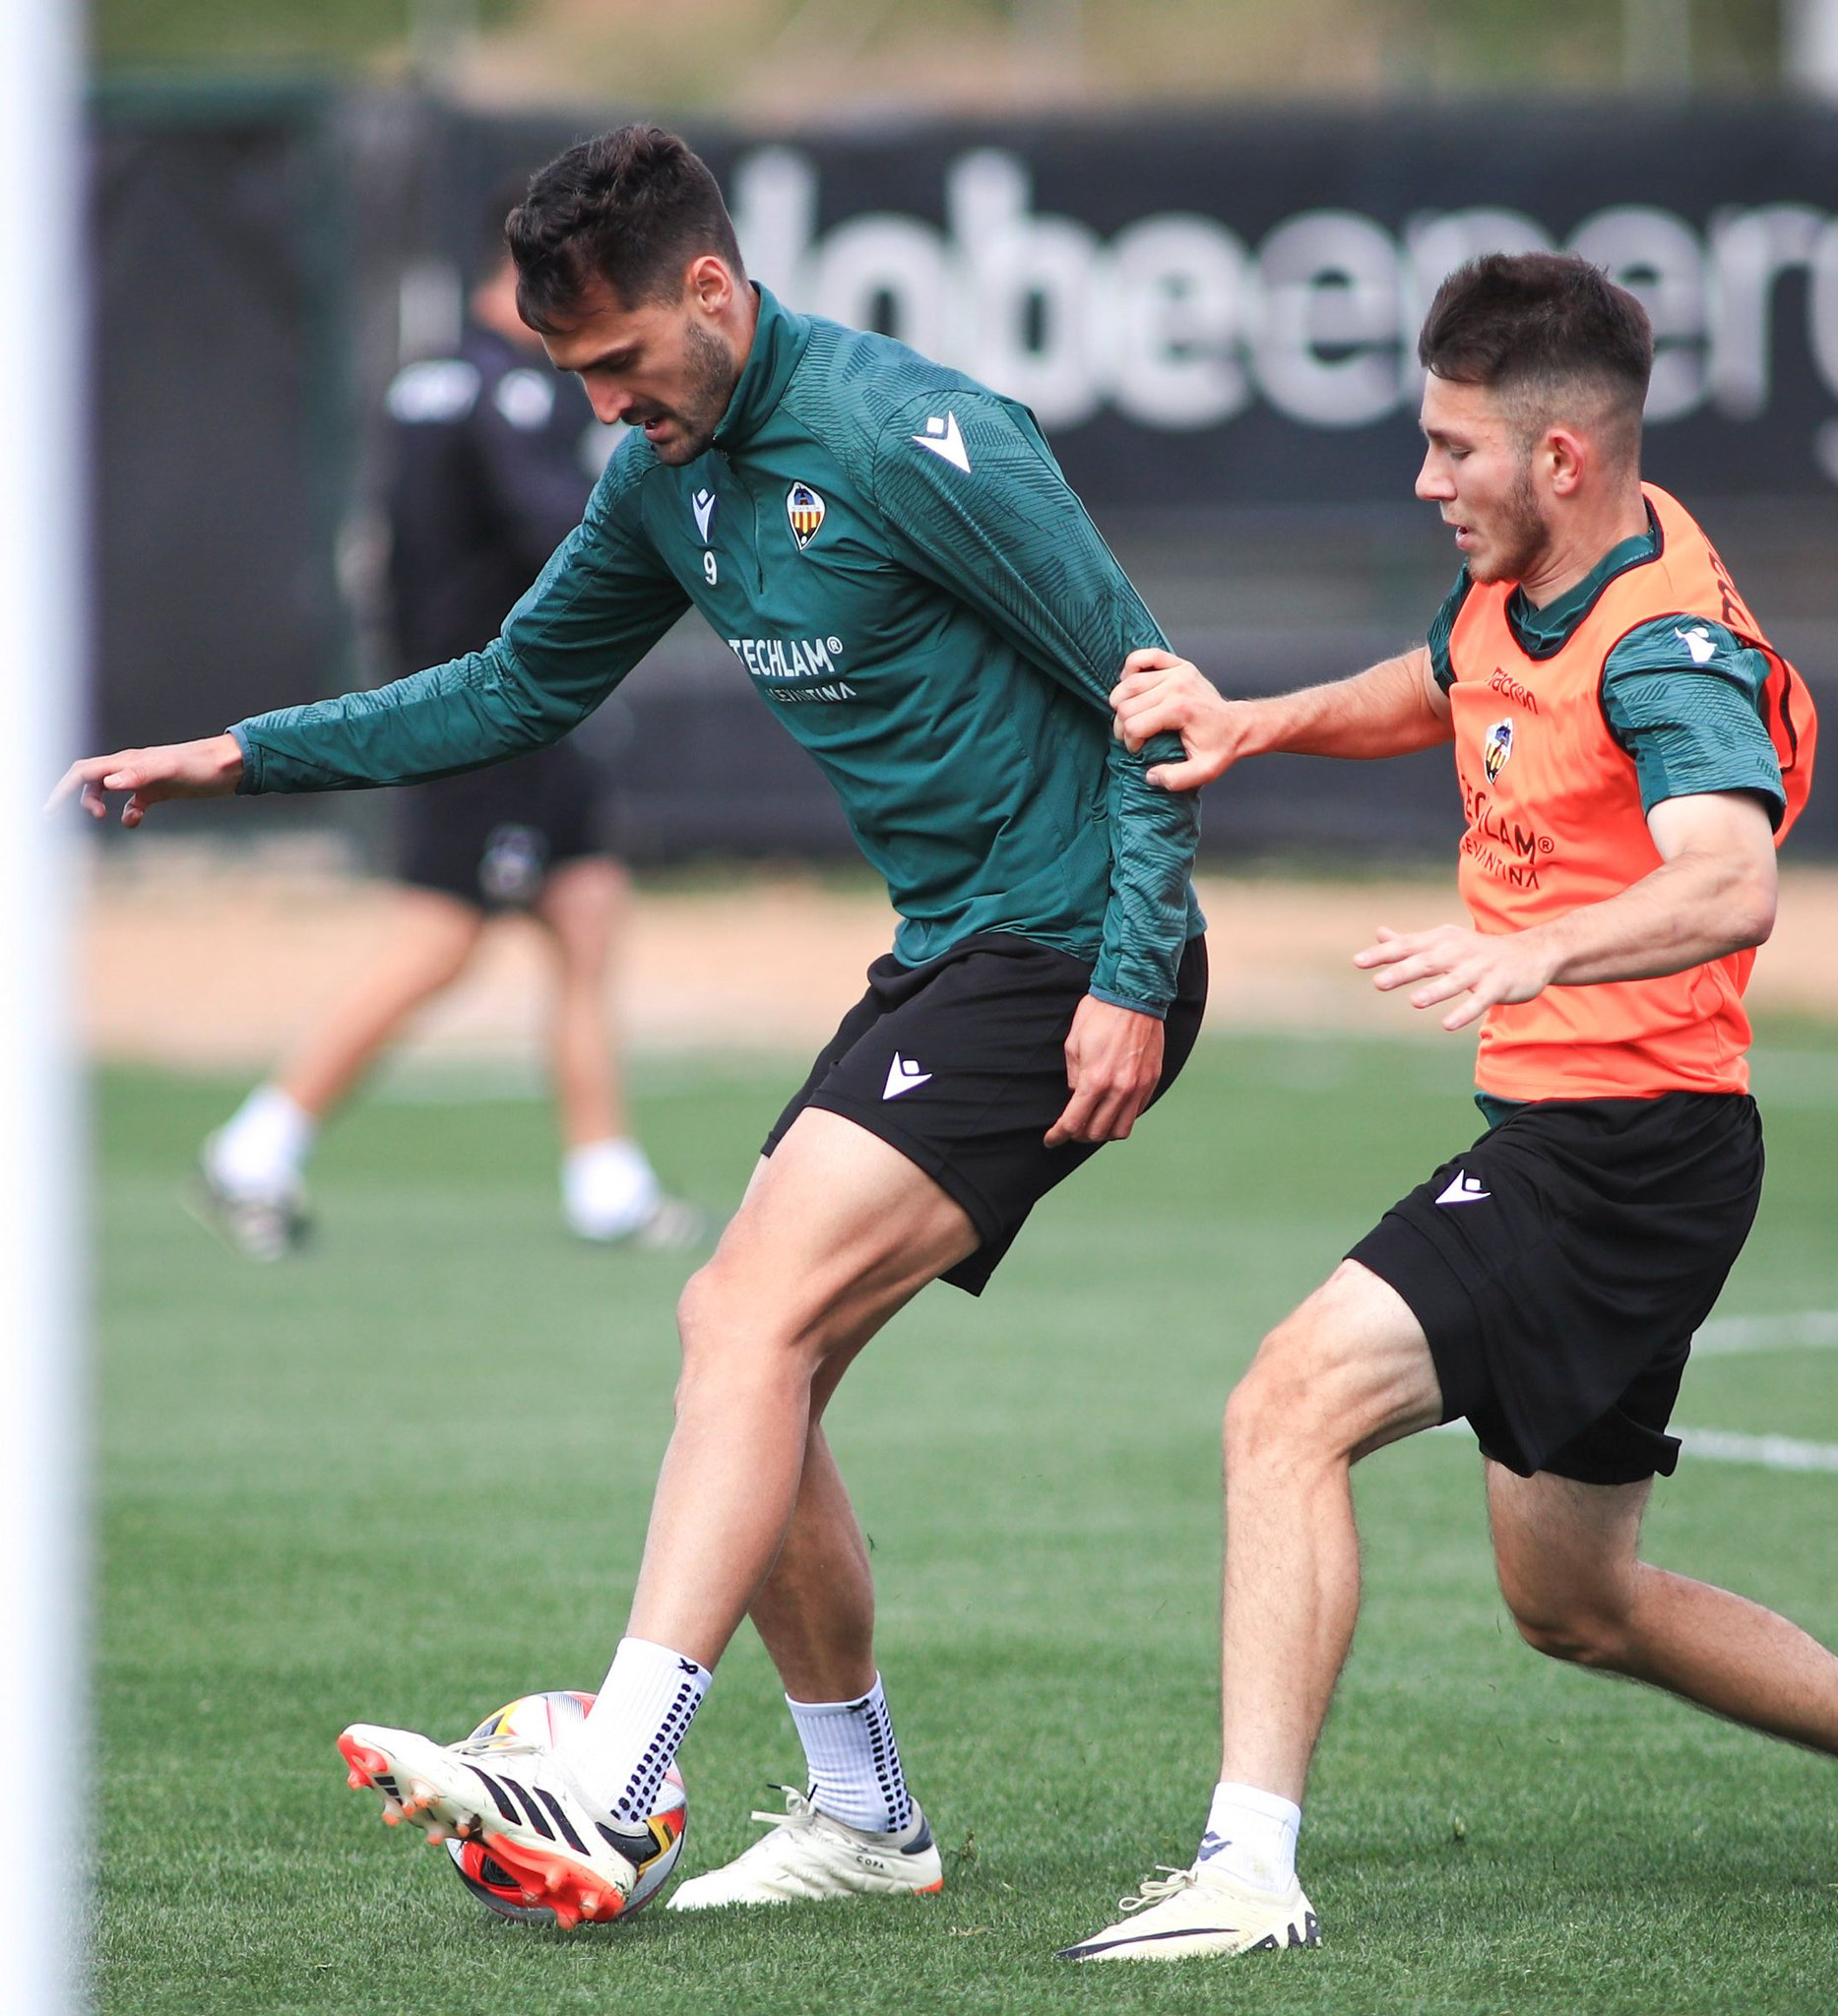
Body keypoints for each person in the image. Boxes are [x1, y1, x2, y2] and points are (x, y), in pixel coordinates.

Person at [54, 125, 1207, 1925]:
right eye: (567, 374)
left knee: (744, 1319)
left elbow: (1155, 700)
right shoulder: (663, 478)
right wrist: (244, 755)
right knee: (752, 1351)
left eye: (617, 364)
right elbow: (519, 682)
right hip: (947, 953)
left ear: (713, 292)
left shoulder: (922, 435)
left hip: (1063, 945)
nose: (601, 405)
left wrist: (1133, 973)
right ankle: (862, 1814)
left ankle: (615, 1772)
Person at [1061, 251, 1838, 1962]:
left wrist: (1536, 954)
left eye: (1450, 449)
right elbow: (1445, 680)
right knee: (1574, 1602)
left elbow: (1727, 881)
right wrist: (1254, 722)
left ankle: (1244, 1866)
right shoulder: (1538, 573)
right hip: (1615, 1143)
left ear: (1559, 457)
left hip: (1616, 1149)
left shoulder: (1664, 653)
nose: (1423, 481)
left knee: (1280, 1405)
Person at [192, 198, 701, 1258]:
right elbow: (559, 528)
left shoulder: (434, 381)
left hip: (509, 710)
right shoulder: (498, 388)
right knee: (437, 941)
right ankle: (256, 1144)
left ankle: (604, 1179)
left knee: (587, 910)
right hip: (483, 713)